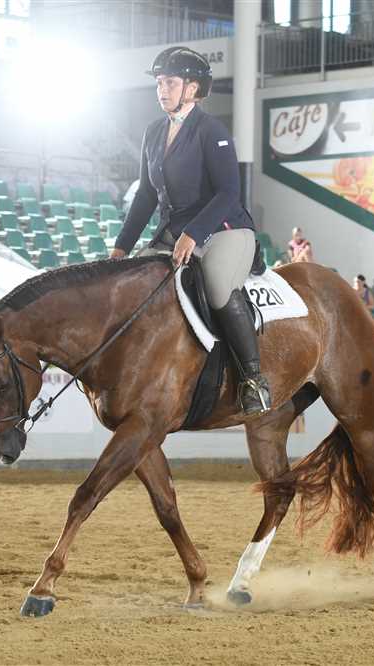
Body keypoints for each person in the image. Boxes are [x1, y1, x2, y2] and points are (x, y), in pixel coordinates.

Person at [110, 46, 269, 416]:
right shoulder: (153, 132)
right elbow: (146, 196)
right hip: (175, 230)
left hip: (224, 228)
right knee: (133, 282)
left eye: (169, 83)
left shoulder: (212, 131)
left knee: (216, 285)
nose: (161, 90)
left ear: (192, 88)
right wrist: (121, 248)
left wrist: (194, 233)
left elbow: (229, 192)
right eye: (159, 83)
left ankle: (253, 379)